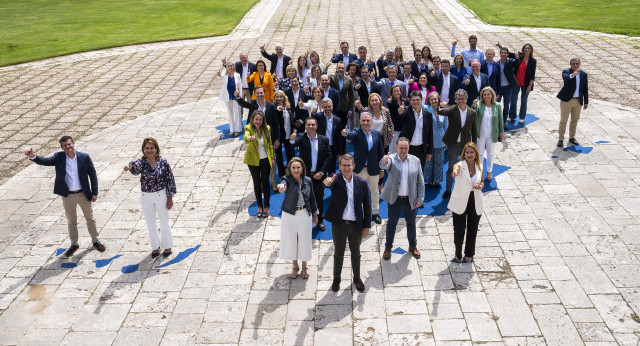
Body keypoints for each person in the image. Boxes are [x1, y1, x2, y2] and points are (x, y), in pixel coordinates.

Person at [25, 136, 105, 257]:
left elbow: (92, 175)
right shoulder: (59, 157)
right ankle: (74, 244)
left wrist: (94, 192)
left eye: (69, 144)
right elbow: (44, 161)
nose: (67, 147)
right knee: (71, 220)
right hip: (68, 195)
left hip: (83, 193)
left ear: (74, 144)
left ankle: (95, 240)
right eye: (65, 146)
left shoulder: (84, 157)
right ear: (62, 148)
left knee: (90, 218)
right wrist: (32, 156)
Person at [323, 154, 371, 293]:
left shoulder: (362, 182)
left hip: (356, 225)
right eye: (343, 165)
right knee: (338, 253)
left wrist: (366, 226)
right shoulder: (336, 179)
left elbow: (367, 206)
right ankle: (336, 278)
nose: (346, 168)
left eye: (349, 165)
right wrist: (326, 182)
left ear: (353, 166)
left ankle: (357, 278)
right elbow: (328, 183)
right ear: (339, 167)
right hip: (339, 224)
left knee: (356, 253)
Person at [124, 138, 176, 257]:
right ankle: (155, 247)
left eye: (151, 148)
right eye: (146, 148)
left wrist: (170, 197)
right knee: (150, 223)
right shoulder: (141, 162)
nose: (149, 150)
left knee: (164, 222)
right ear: (143, 150)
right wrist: (130, 168)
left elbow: (170, 180)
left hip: (160, 195)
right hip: (146, 197)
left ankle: (167, 246)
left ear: (156, 149)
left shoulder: (163, 162)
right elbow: (135, 168)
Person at [379, 137, 425, 260]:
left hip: (411, 200)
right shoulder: (392, 159)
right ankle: (388, 247)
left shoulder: (416, 160)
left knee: (411, 224)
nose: (403, 150)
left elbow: (420, 182)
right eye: (401, 148)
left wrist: (420, 199)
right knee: (391, 224)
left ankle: (413, 246)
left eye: (405, 148)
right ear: (396, 147)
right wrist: (384, 161)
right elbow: (384, 165)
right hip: (395, 199)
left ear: (408, 148)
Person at [278, 158, 318, 279]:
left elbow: (312, 198)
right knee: (291, 240)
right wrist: (281, 187)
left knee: (304, 240)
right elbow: (282, 184)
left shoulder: (308, 181)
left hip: (305, 214)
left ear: (302, 168)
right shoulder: (287, 180)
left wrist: (315, 214)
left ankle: (304, 265)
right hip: (289, 215)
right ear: (290, 169)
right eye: (293, 168)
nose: (296, 170)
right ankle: (295, 266)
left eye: (298, 167)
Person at [290, 117, 333, 231]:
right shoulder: (301, 137)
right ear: (305, 126)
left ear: (316, 126)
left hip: (319, 175)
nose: (311, 127)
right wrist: (292, 139)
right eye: (308, 124)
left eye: (313, 125)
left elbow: (329, 157)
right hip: (305, 175)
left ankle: (319, 220)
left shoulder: (324, 139)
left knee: (319, 198)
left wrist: (322, 172)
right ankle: (306, 220)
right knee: (305, 198)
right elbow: (293, 144)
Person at [342, 113, 384, 224]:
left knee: (374, 191)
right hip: (360, 169)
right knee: (358, 192)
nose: (365, 123)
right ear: (360, 122)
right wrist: (345, 134)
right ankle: (358, 213)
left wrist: (382, 169)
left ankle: (375, 213)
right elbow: (349, 136)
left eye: (367, 120)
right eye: (363, 120)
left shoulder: (376, 134)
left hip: (374, 168)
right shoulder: (356, 132)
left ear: (371, 122)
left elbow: (381, 152)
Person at [448, 142, 484, 263]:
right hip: (460, 200)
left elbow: (482, 181)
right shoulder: (460, 165)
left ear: (475, 154)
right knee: (459, 229)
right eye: (467, 152)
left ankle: (469, 254)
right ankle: (458, 253)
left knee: (473, 228)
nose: (469, 154)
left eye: (471, 152)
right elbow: (455, 168)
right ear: (464, 153)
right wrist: (454, 172)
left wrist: (480, 185)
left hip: (475, 199)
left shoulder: (480, 166)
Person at [440, 89, 478, 199]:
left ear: (466, 99)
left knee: (466, 168)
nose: (460, 100)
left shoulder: (472, 112)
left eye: (462, 98)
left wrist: (474, 146)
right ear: (455, 100)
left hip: (466, 145)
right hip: (453, 143)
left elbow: (474, 130)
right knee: (451, 167)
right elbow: (443, 112)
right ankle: (448, 189)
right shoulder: (452, 109)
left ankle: (465, 189)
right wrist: (442, 106)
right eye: (458, 98)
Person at [243, 110, 275, 218]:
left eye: (260, 120)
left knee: (265, 182)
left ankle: (267, 206)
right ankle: (259, 206)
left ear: (263, 120)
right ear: (252, 119)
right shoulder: (248, 128)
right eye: (256, 119)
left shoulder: (267, 128)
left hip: (265, 159)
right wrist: (249, 138)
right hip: (253, 160)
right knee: (257, 183)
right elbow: (246, 137)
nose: (258, 121)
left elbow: (270, 144)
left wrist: (272, 157)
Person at [473, 87, 504, 181]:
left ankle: (489, 171)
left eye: (488, 94)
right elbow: (473, 112)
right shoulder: (479, 104)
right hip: (480, 133)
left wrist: (501, 132)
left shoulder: (497, 105)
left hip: (492, 134)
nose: (486, 96)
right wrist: (474, 105)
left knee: (491, 153)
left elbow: (500, 119)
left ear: (492, 95)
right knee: (480, 153)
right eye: (484, 94)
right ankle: (480, 171)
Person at [556, 58, 588, 147]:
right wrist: (572, 75)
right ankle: (561, 138)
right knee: (563, 120)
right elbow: (565, 78)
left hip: (578, 101)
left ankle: (572, 137)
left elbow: (585, 88)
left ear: (580, 64)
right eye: (573, 64)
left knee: (574, 120)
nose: (575, 65)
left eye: (577, 64)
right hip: (567, 100)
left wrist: (586, 102)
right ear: (570, 65)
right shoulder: (566, 72)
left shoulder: (583, 75)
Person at [399, 91, 434, 170]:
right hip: (408, 149)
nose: (416, 102)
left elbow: (430, 134)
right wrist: (400, 112)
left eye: (418, 100)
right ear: (410, 101)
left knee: (419, 172)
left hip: (421, 150)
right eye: (413, 100)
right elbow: (401, 115)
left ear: (421, 100)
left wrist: (429, 151)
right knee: (406, 172)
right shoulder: (407, 111)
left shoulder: (428, 115)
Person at [313, 98, 344, 174]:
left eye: (329, 107)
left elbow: (339, 138)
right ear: (322, 107)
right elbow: (311, 119)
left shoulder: (338, 120)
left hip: (332, 148)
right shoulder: (318, 117)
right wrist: (313, 112)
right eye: (325, 107)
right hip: (321, 147)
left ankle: (331, 185)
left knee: (332, 170)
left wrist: (340, 153)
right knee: (320, 169)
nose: (327, 109)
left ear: (332, 106)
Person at [423, 92, 448, 187]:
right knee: (428, 162)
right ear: (429, 101)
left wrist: (446, 140)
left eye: (435, 99)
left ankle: (437, 180)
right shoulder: (425, 109)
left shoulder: (443, 110)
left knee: (439, 161)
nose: (434, 101)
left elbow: (446, 126)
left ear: (438, 100)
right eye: (432, 99)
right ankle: (428, 180)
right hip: (429, 140)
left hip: (440, 140)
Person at [510, 43, 537, 124]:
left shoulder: (533, 61)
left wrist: (530, 85)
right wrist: (500, 46)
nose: (527, 50)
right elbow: (509, 54)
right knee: (513, 99)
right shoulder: (519, 56)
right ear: (523, 49)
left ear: (531, 50)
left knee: (524, 100)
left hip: (526, 84)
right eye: (525, 48)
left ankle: (522, 117)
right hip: (516, 82)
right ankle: (512, 116)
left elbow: (533, 74)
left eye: (528, 48)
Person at [222, 54, 256, 118]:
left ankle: (253, 119)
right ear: (240, 59)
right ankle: (240, 120)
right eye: (242, 58)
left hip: (250, 89)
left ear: (247, 57)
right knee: (240, 105)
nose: (244, 59)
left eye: (245, 57)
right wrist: (224, 63)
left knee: (252, 105)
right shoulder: (238, 65)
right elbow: (230, 67)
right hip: (241, 89)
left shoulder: (253, 66)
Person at [274, 90, 295, 180]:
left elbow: (291, 121)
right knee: (279, 156)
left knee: (290, 155)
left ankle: (290, 173)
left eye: (281, 96)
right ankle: (282, 175)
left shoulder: (288, 107)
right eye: (277, 97)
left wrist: (294, 131)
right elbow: (276, 109)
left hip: (288, 134)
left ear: (284, 97)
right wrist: (279, 108)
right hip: (278, 136)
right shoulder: (274, 107)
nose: (279, 98)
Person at [218, 61, 243, 137]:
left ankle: (237, 129)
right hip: (228, 96)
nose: (230, 67)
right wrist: (219, 73)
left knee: (237, 112)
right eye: (228, 66)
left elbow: (240, 85)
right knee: (230, 113)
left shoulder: (237, 75)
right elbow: (220, 75)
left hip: (235, 96)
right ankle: (232, 129)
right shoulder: (225, 75)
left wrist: (239, 93)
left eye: (231, 66)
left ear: (233, 67)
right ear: (227, 68)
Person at [495, 46, 517, 128]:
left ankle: (503, 122)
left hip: (508, 88)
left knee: (506, 106)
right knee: (497, 106)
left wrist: (515, 55)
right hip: (499, 88)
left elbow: (518, 59)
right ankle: (497, 122)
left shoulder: (510, 62)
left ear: (507, 54)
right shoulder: (496, 64)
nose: (503, 54)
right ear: (499, 54)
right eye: (502, 53)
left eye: (505, 53)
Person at [329, 61, 355, 127]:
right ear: (336, 69)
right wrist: (326, 68)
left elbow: (351, 96)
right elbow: (323, 79)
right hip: (333, 107)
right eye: (339, 68)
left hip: (344, 108)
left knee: (343, 128)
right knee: (333, 128)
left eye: (342, 68)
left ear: (345, 69)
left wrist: (350, 110)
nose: (341, 70)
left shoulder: (349, 80)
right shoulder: (331, 78)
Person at [387, 84, 409, 154]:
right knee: (392, 148)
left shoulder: (405, 102)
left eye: (397, 91)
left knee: (403, 147)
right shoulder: (391, 102)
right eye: (394, 91)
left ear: (400, 92)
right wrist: (389, 102)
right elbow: (390, 105)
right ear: (392, 93)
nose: (396, 93)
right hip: (395, 129)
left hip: (404, 128)